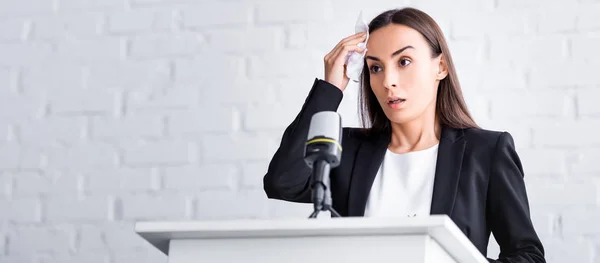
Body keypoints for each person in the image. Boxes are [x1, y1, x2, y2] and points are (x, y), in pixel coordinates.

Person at [262, 7, 545, 263]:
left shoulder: (486, 151)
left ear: (441, 67)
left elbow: (528, 256)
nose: (388, 81)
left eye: (404, 61)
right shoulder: (346, 149)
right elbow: (282, 182)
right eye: (375, 67)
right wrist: (330, 88)